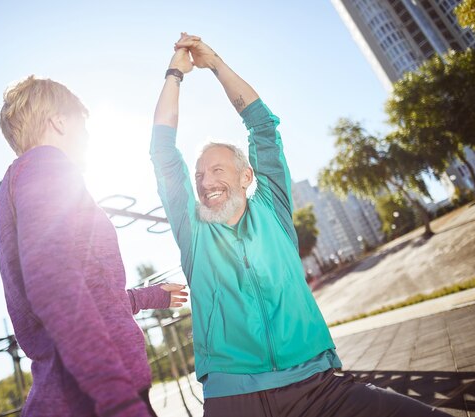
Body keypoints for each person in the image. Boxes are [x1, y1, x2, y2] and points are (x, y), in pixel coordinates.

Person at [150, 34, 450, 417]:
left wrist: (216, 65)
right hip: (233, 399)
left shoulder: (273, 208)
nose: (206, 182)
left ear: (246, 176)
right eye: (200, 175)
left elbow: (262, 127)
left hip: (318, 388)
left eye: (217, 170)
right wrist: (175, 72)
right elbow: (162, 149)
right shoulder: (193, 230)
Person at [0, 75, 188, 417]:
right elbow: (56, 288)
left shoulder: (27, 179)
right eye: (81, 124)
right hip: (99, 398)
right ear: (58, 121)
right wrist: (116, 398)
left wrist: (148, 297)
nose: (87, 136)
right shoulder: (44, 167)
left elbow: (90, 294)